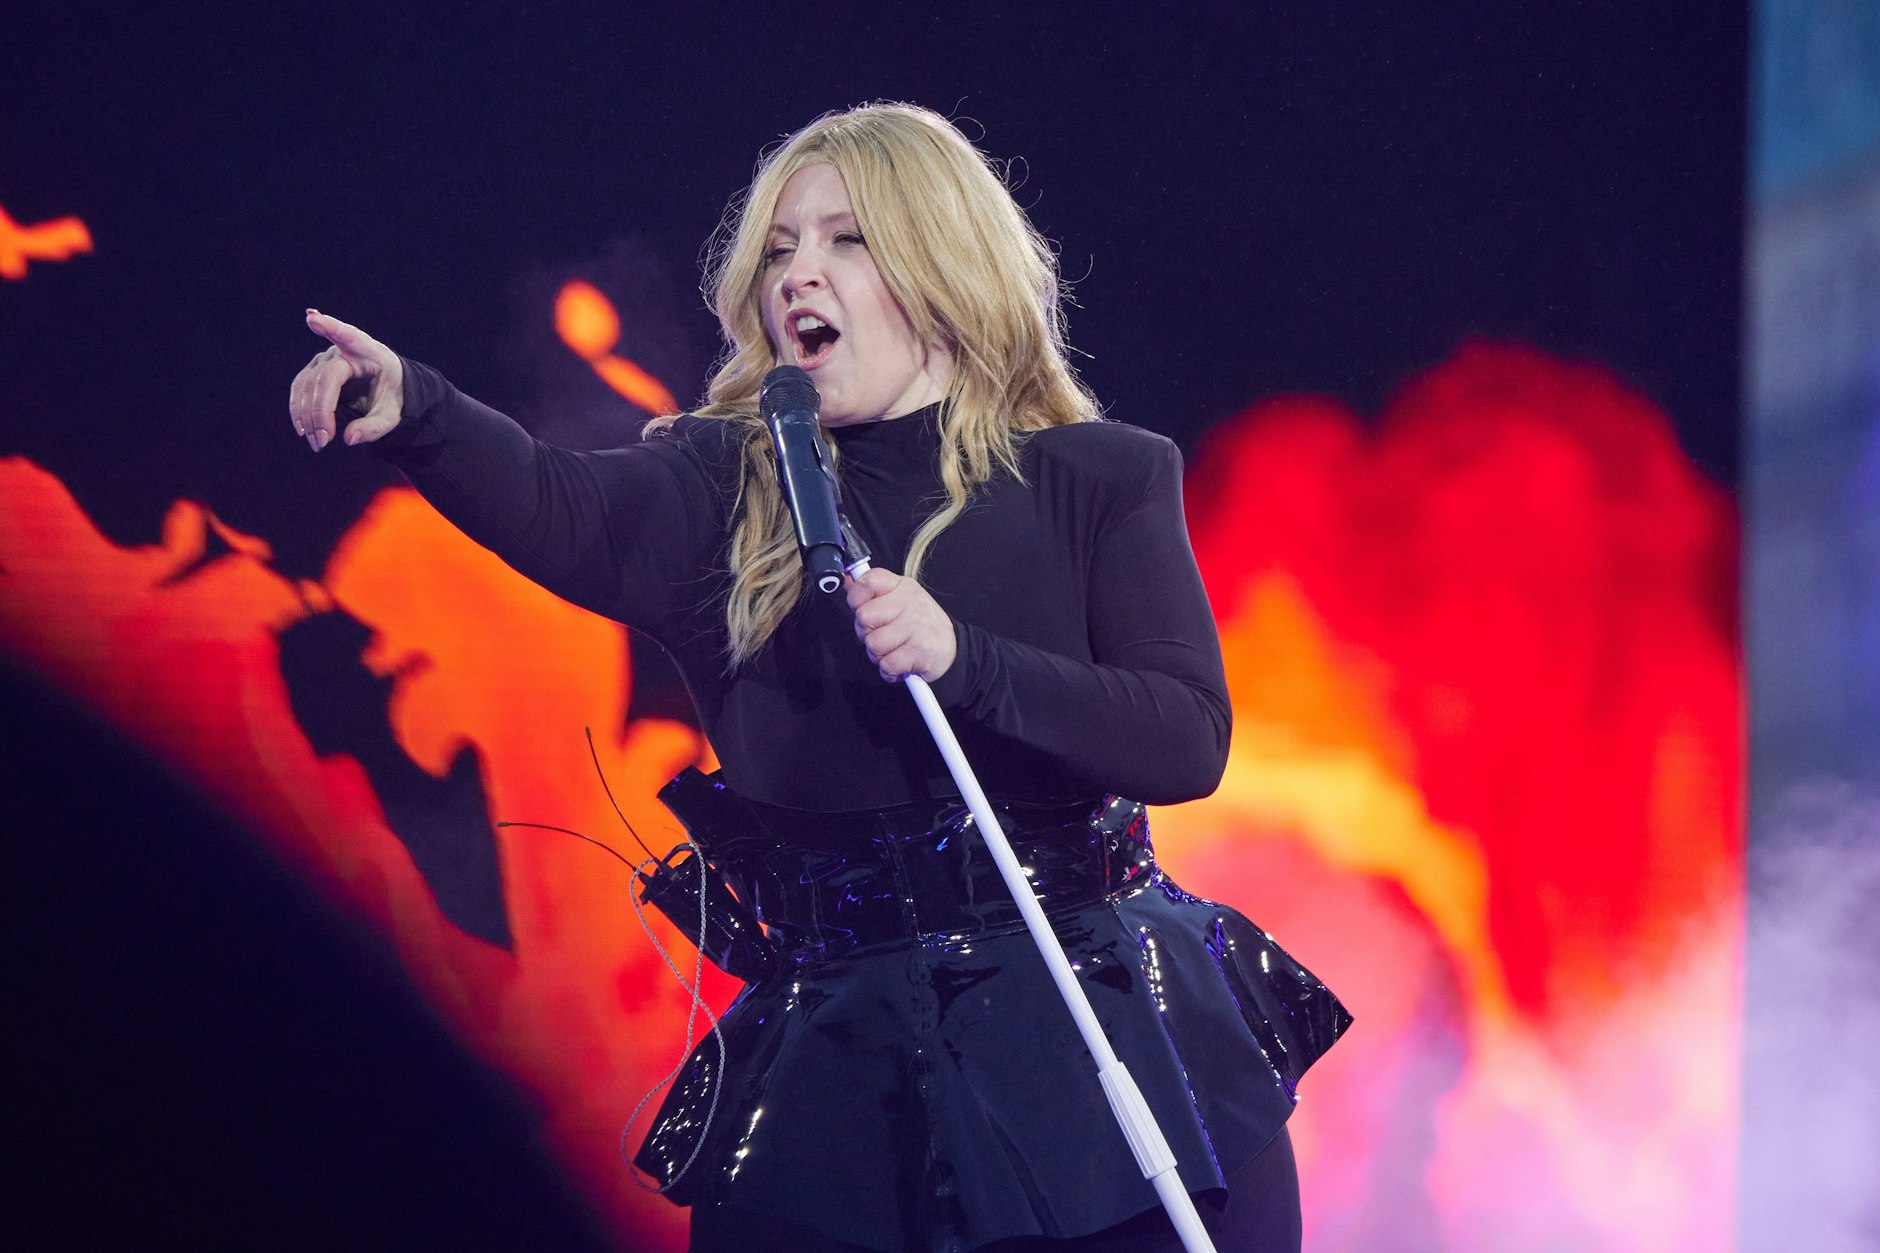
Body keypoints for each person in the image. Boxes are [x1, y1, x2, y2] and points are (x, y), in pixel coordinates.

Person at [288, 103, 1348, 1253]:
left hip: (1107, 1047)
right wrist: (421, 413)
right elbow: (555, 502)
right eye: (780, 248)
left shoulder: (1094, 478)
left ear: (940, 266)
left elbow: (1183, 738)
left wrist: (965, 658)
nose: (800, 273)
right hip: (839, 1083)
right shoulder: (716, 488)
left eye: (844, 240)